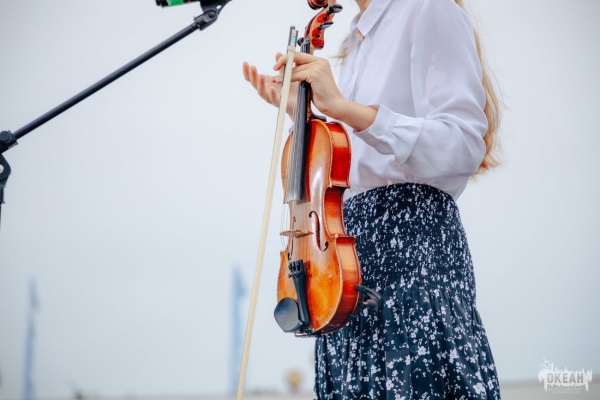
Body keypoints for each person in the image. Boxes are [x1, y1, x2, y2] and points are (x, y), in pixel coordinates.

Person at [243, 0, 501, 398]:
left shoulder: (429, 9)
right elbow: (352, 159)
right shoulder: (356, 40)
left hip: (411, 249)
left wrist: (345, 108)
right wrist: (302, 112)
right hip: (346, 267)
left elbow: (463, 143)